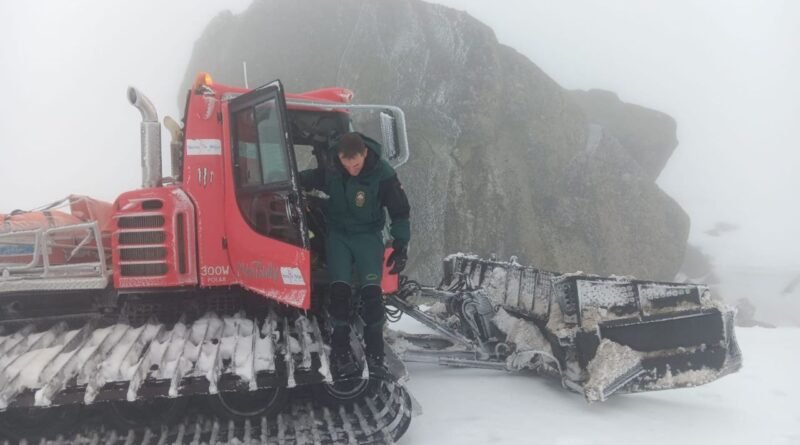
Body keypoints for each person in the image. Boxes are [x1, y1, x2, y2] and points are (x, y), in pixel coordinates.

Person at [299, 132, 410, 375]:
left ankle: (376, 353)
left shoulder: (383, 174)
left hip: (368, 236)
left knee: (372, 296)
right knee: (339, 293)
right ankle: (340, 352)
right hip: (338, 235)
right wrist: (291, 180)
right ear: (339, 157)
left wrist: (401, 244)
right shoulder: (332, 168)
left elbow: (400, 210)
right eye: (346, 165)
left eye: (356, 165)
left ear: (365, 154)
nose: (352, 170)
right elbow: (313, 178)